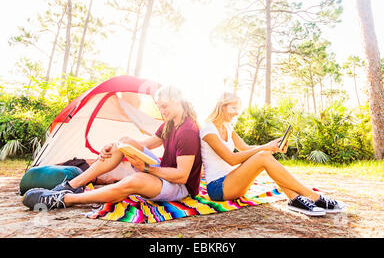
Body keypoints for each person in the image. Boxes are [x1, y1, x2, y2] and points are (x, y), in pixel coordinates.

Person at [22, 86, 202, 210]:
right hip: (165, 172)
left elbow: (181, 176)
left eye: (164, 106)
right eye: (159, 107)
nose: (162, 111)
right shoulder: (170, 124)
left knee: (135, 180)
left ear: (179, 101)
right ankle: (71, 185)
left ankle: (64, 199)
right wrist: (117, 145)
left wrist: (147, 169)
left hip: (180, 186)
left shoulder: (188, 130)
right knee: (124, 140)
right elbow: (146, 144)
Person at [200, 92, 345, 216]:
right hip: (218, 188)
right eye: (233, 108)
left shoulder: (227, 126)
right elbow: (232, 159)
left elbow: (245, 148)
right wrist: (265, 147)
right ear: (222, 106)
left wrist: (272, 146)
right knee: (263, 155)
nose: (237, 113)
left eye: (238, 109)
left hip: (235, 184)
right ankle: (314, 197)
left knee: (264, 156)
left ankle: (295, 199)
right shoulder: (208, 129)